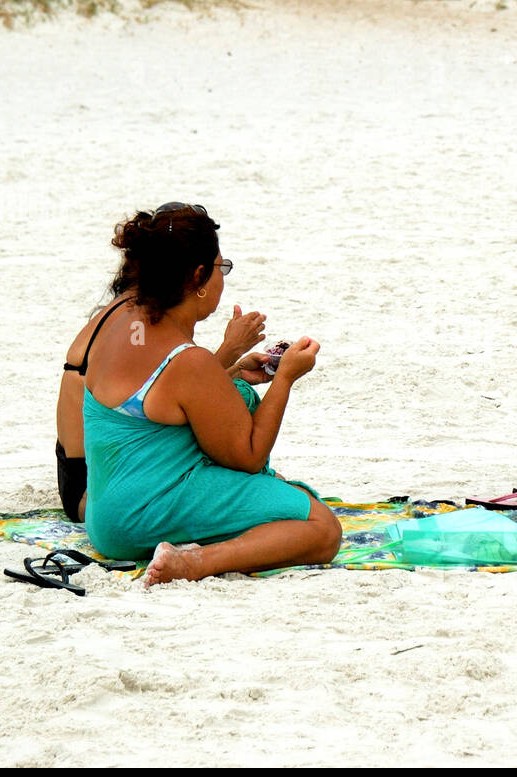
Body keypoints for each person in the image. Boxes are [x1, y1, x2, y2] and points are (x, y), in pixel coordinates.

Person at [80, 202, 341, 584]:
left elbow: (161, 397)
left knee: (273, 493)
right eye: (222, 267)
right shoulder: (188, 361)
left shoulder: (118, 320)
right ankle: (194, 563)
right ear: (199, 276)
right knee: (322, 528)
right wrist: (285, 379)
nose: (223, 276)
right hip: (143, 515)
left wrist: (230, 370)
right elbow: (249, 457)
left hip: (105, 516)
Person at [55, 260, 266, 522]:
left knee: (231, 395)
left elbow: (156, 390)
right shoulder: (137, 322)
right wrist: (230, 349)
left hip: (89, 473)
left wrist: (233, 370)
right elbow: (144, 389)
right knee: (238, 403)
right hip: (91, 491)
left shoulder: (128, 309)